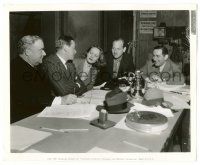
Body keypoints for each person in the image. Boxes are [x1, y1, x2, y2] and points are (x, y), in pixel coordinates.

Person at [10, 35, 77, 123]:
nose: (44, 53)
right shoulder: (16, 68)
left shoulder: (32, 66)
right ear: (27, 52)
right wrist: (61, 100)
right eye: (41, 50)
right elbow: (31, 98)